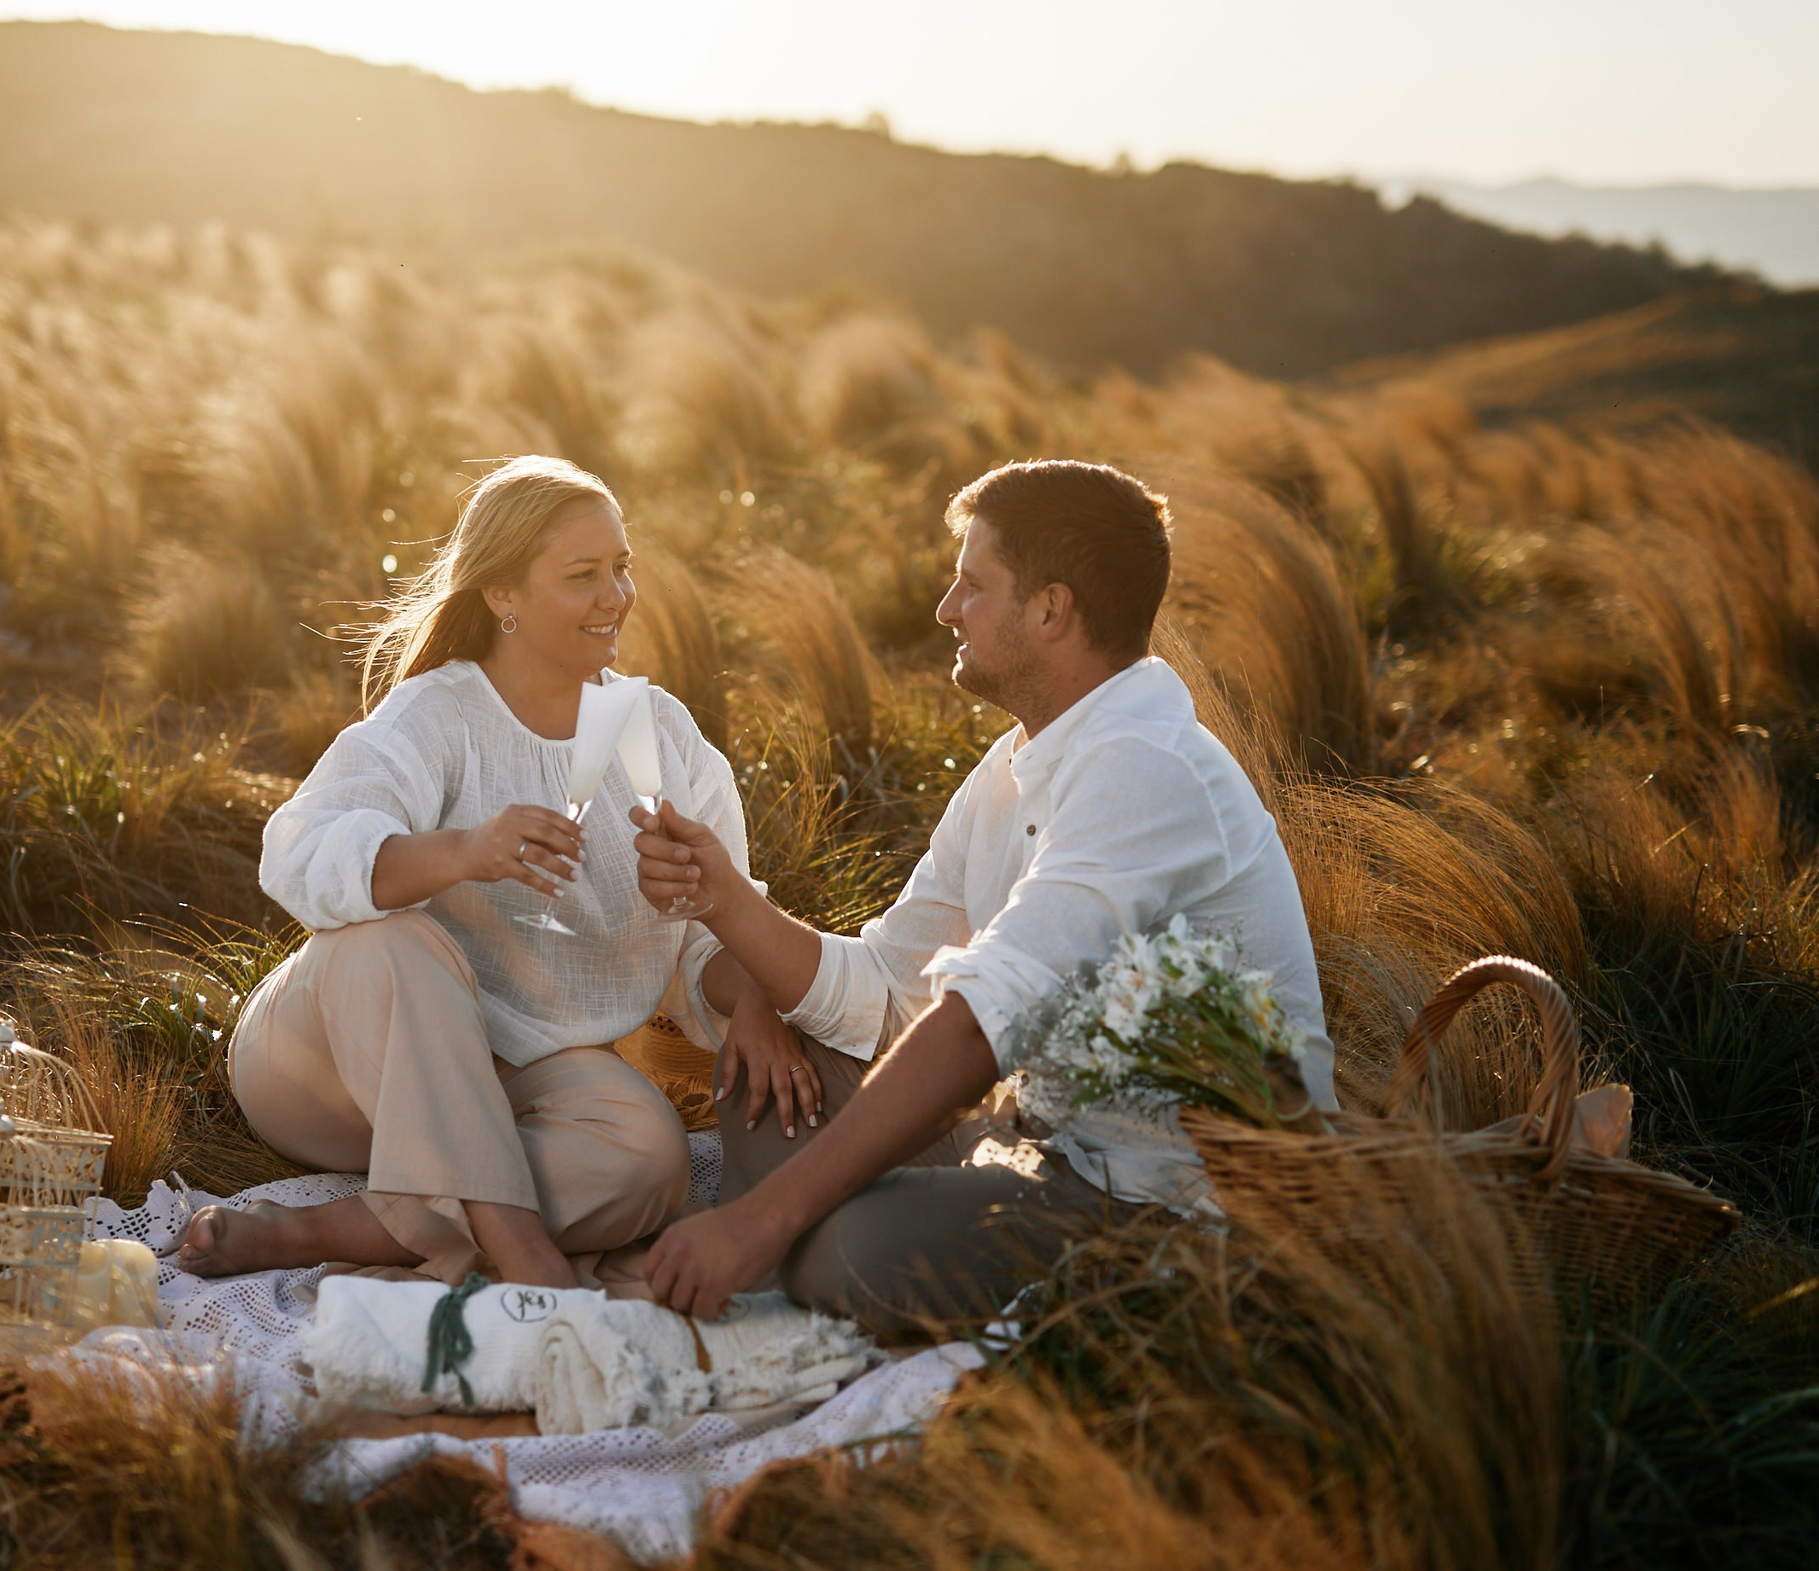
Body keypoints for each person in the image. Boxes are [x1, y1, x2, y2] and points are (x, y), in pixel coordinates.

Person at [631, 459, 1338, 1331]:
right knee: (766, 1083)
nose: (945, 610)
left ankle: (809, 1232)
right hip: (1030, 1139)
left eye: (972, 584)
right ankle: (845, 1214)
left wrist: (757, 1222)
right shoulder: (1011, 768)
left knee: (837, 1250)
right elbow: (892, 990)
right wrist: (723, 899)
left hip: (1167, 1202)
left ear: (1051, 608)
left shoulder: (1145, 770)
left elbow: (972, 1026)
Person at [178, 456, 817, 1288]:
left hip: (523, 1066)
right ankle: (517, 1242)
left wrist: (758, 997)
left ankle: (320, 1231)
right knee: (389, 936)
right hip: (334, 1072)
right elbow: (300, 847)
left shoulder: (654, 731)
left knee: (648, 1156)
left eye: (622, 568)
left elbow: (709, 933)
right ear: (503, 595)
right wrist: (462, 853)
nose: (616, 596)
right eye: (582, 575)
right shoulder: (441, 713)